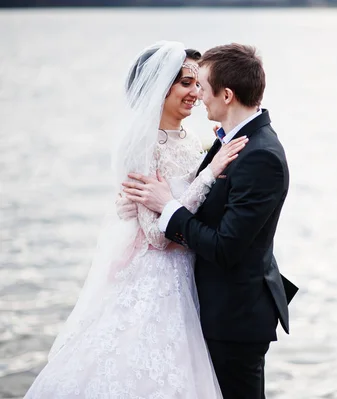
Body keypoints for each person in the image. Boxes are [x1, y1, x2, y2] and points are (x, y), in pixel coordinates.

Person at [24, 41, 248, 398]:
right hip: (157, 279)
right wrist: (208, 176)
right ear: (160, 87)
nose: (196, 93)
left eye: (197, 84)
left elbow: (191, 209)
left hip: (191, 275)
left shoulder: (194, 141)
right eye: (186, 83)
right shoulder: (141, 146)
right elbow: (156, 238)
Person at [121, 43, 298, 399]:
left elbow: (226, 247)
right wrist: (139, 208)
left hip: (234, 316)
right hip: (208, 304)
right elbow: (206, 202)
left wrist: (167, 206)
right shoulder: (231, 141)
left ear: (227, 95)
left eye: (201, 84)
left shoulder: (260, 155)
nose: (198, 95)